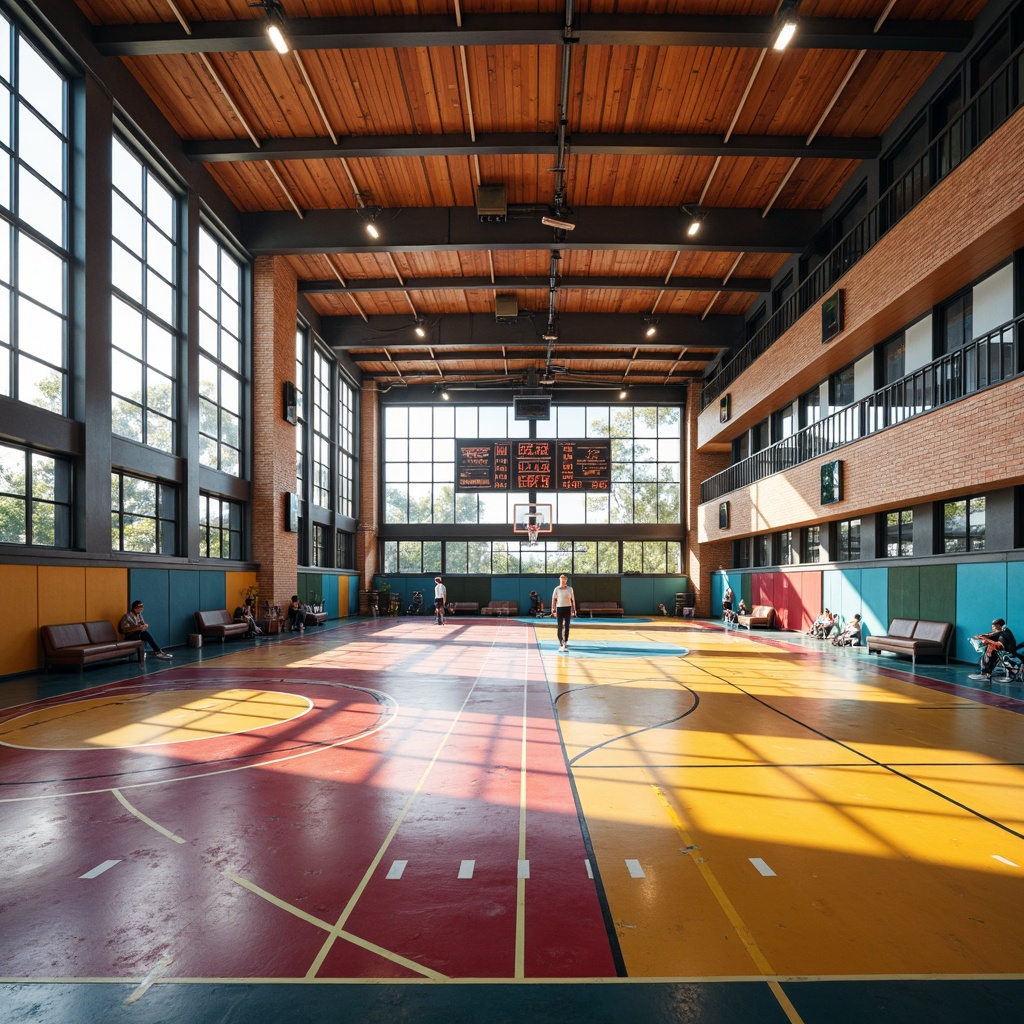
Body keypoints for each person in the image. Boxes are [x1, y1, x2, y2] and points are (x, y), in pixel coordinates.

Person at [550, 573, 577, 652]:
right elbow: (554, 600)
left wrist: (574, 610)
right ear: (560, 580)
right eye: (562, 580)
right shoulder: (557, 589)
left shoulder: (570, 589)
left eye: (564, 580)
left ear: (566, 580)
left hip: (567, 608)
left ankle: (565, 641)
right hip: (559, 608)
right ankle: (561, 642)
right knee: (560, 625)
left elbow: (573, 600)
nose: (563, 581)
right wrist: (553, 609)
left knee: (567, 625)